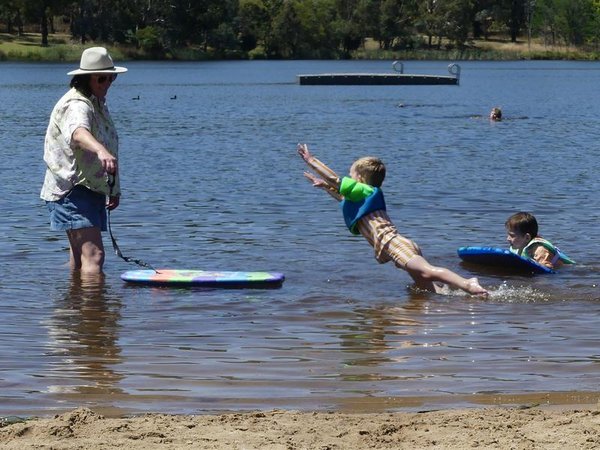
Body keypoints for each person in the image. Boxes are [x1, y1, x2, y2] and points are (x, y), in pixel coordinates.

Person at [297, 143, 488, 296]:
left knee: (428, 271)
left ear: (361, 179)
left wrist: (311, 160)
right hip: (396, 244)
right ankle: (435, 311)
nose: (349, 179)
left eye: (352, 176)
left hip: (394, 243)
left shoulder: (367, 190)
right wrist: (324, 187)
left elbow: (336, 180)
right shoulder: (361, 196)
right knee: (425, 287)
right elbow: (343, 197)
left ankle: (467, 283)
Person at [41, 47, 128, 274]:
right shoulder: (77, 105)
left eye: (112, 77)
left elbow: (110, 146)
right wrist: (100, 150)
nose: (108, 82)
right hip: (73, 189)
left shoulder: (96, 102)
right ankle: (94, 310)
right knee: (95, 256)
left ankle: (77, 305)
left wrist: (113, 189)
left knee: (81, 258)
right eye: (102, 78)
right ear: (86, 78)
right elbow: (78, 133)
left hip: (89, 187)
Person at [505, 212, 575, 270]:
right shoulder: (519, 246)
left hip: (567, 270)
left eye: (512, 235)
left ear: (527, 237)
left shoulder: (540, 250)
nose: (508, 239)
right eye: (508, 235)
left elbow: (547, 268)